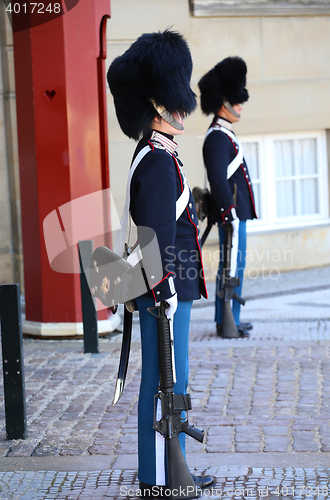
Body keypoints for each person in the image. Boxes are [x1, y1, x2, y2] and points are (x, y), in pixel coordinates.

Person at [107, 30, 214, 498]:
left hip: (170, 288)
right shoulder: (154, 160)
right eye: (176, 98)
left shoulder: (160, 153)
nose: (184, 106)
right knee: (161, 381)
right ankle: (158, 476)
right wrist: (165, 289)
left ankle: (172, 468)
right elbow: (153, 239)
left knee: (174, 380)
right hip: (164, 290)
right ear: (157, 101)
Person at [198, 57, 257, 339]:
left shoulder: (224, 135)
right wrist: (229, 213)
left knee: (235, 265)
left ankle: (231, 318)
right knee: (231, 266)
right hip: (231, 215)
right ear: (224, 103)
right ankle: (227, 322)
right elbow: (218, 180)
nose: (240, 106)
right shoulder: (217, 138)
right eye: (236, 102)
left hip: (235, 213)